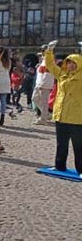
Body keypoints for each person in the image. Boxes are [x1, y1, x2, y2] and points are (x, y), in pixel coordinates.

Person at [44, 49, 82, 177]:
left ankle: (81, 170)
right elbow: (50, 65)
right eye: (69, 62)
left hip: (77, 117)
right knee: (61, 144)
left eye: (74, 63)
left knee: (79, 146)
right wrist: (49, 52)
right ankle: (59, 165)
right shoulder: (62, 75)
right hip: (61, 116)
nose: (71, 65)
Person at [32, 50, 55, 125]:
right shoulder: (44, 61)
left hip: (44, 84)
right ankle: (46, 114)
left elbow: (47, 74)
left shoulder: (48, 61)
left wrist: (43, 84)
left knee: (44, 102)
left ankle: (43, 118)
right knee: (35, 98)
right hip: (39, 83)